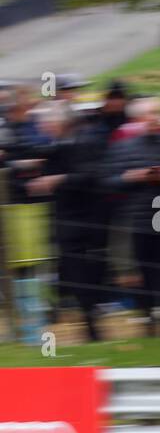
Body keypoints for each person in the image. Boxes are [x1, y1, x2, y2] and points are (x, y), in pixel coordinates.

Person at [104, 96, 160, 334]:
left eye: (159, 112)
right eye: (150, 113)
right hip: (139, 224)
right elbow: (108, 182)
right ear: (138, 119)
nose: (156, 118)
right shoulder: (123, 147)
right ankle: (149, 323)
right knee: (143, 276)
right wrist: (131, 177)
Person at [27, 101, 111, 341]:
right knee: (74, 271)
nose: (43, 126)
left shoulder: (85, 141)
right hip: (66, 220)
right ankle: (86, 319)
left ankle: (91, 321)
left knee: (88, 272)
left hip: (87, 218)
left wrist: (56, 181)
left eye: (47, 121)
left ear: (61, 122)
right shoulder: (55, 146)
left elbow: (90, 175)